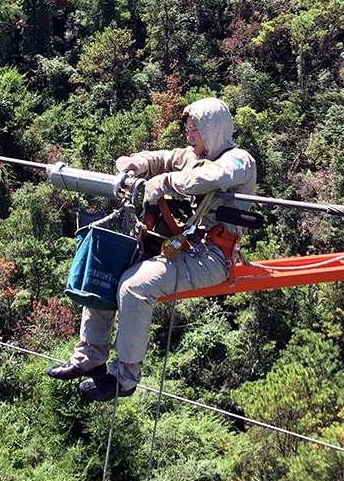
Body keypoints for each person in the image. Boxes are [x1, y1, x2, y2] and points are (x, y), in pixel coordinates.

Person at [46, 97, 257, 401]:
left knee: (134, 287)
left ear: (211, 130)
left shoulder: (239, 160)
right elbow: (161, 158)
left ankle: (125, 377)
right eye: (187, 130)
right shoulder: (192, 156)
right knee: (109, 264)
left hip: (211, 256)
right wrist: (135, 164)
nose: (189, 137)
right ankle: (90, 354)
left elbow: (216, 176)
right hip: (181, 244)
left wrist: (167, 183)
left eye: (193, 130)